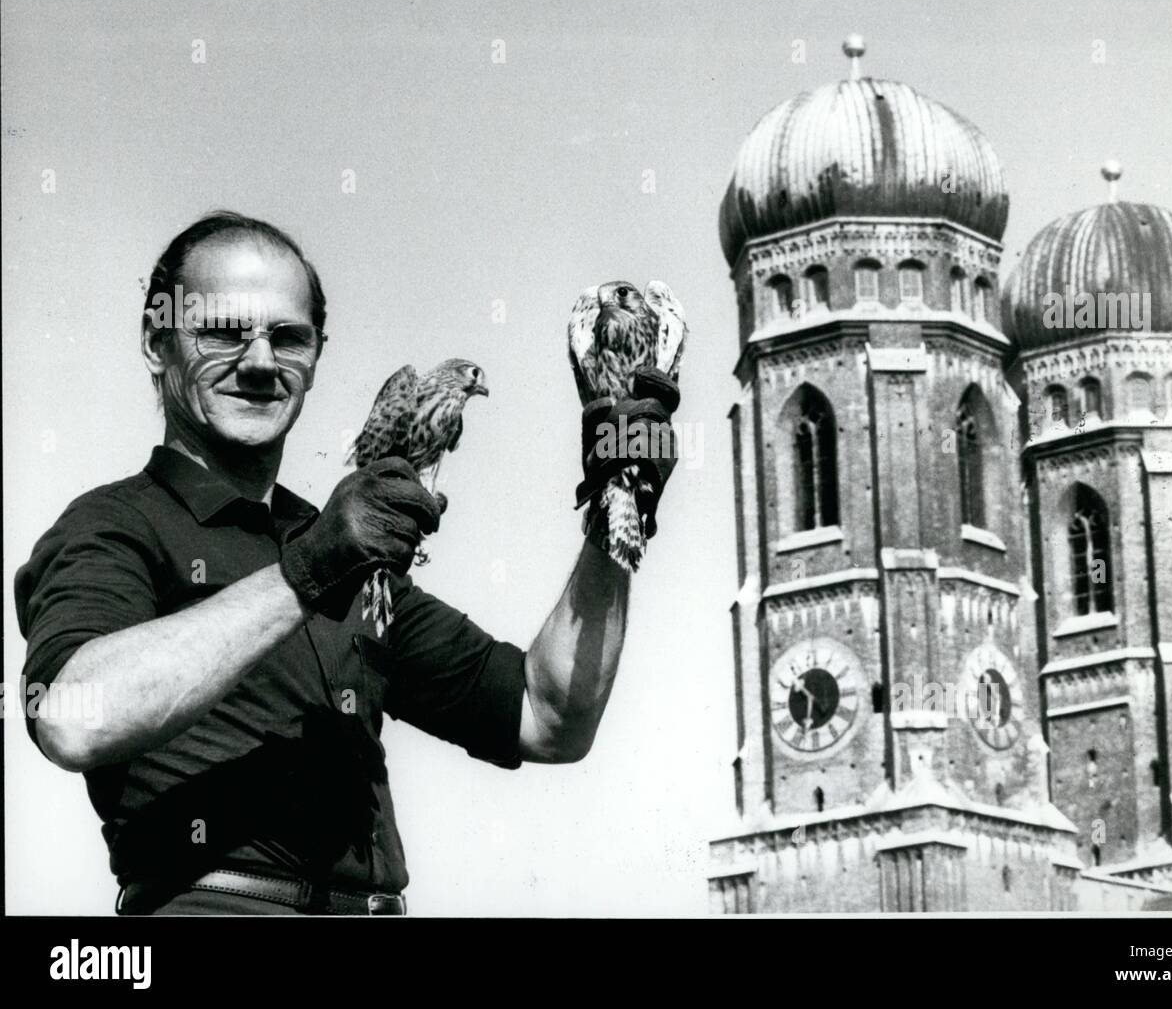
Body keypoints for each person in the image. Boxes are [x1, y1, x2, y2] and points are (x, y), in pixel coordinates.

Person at [13, 211, 677, 915]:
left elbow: (547, 714)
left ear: (315, 355)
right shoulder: (118, 522)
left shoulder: (345, 539)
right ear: (157, 342)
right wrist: (309, 571)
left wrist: (617, 503)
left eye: (289, 337)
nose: (261, 361)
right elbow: (68, 715)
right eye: (224, 331)